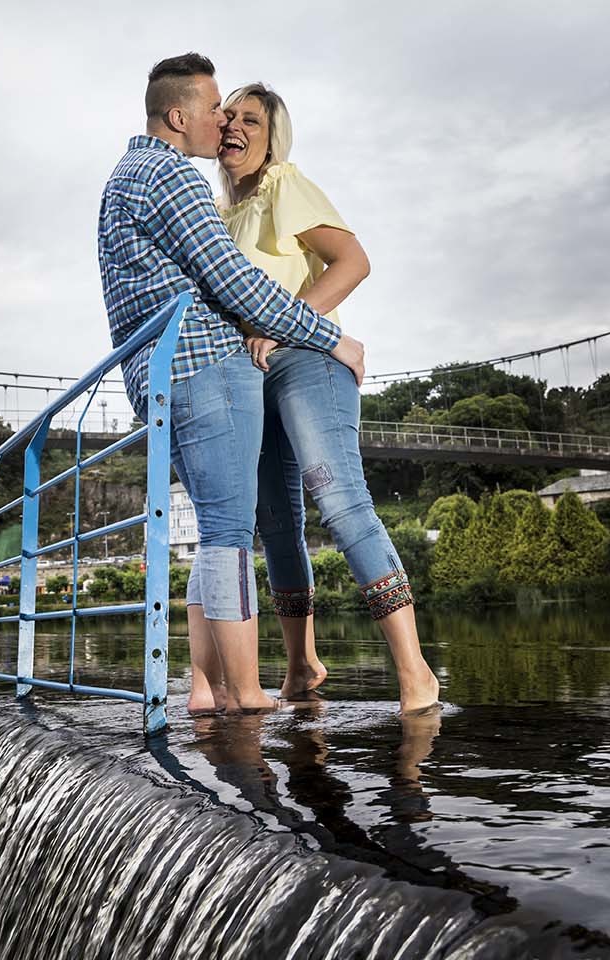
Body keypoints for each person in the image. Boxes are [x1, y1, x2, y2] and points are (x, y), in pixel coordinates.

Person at [97, 53, 367, 714]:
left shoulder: (121, 178)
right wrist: (332, 336)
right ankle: (245, 694)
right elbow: (236, 282)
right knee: (226, 533)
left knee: (216, 526)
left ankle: (201, 689)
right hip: (210, 368)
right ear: (180, 115)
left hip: (156, 373)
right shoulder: (174, 179)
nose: (221, 122)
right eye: (215, 109)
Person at [210, 81, 440, 712]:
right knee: (277, 527)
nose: (235, 129)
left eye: (250, 121)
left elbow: (353, 261)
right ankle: (302, 667)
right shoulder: (221, 216)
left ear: (272, 136)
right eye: (227, 118)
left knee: (339, 502)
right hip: (248, 378)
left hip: (307, 361)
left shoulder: (285, 184)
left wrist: (285, 322)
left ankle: (417, 673)